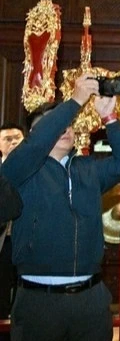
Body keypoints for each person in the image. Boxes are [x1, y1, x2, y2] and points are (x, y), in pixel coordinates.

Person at [0, 74, 120, 341]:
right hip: (38, 303)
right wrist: (75, 100)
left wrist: (109, 118)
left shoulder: (87, 169)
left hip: (90, 301)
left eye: (69, 125)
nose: (65, 129)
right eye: (56, 125)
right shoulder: (20, 171)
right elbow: (37, 144)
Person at [0, 123, 24, 322]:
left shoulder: (34, 169)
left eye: (17, 138)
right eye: (8, 139)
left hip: (25, 237)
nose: (14, 142)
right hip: (2, 240)